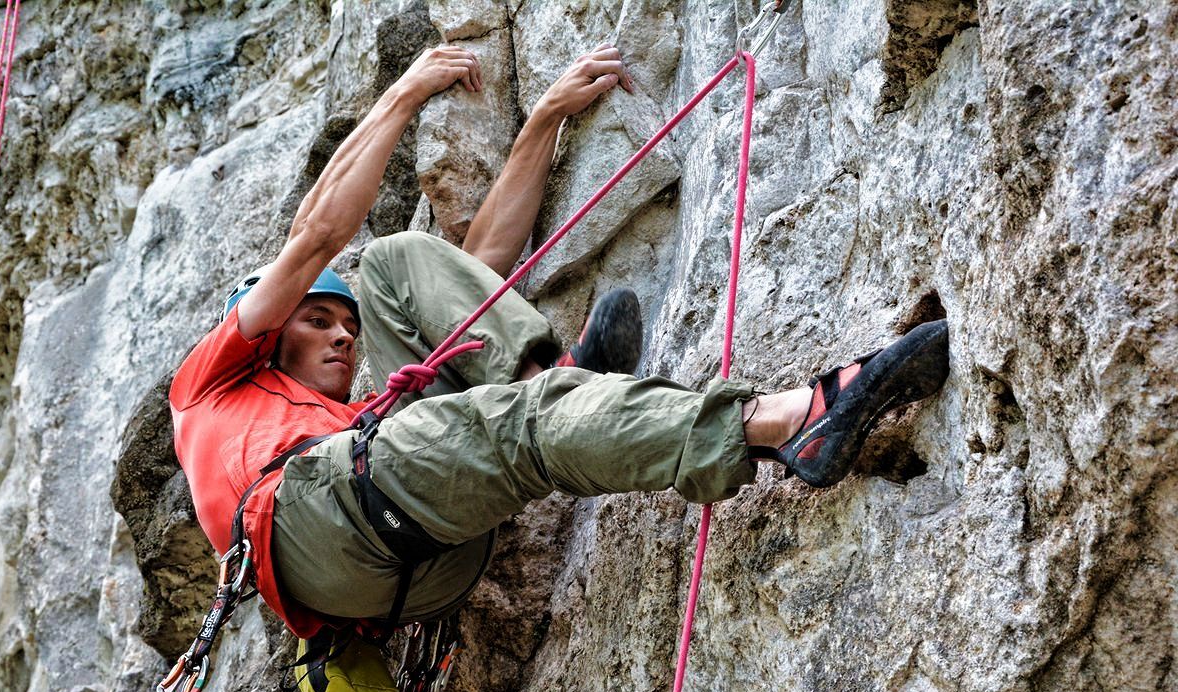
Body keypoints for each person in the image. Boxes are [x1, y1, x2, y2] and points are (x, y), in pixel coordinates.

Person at [169, 45, 949, 641]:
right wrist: (405, 94)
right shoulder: (209, 385)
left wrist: (543, 121)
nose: (343, 334)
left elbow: (470, 283)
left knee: (404, 268)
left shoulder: (352, 417)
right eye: (316, 322)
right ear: (268, 335)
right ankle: (785, 421)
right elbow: (316, 234)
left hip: (409, 562)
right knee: (483, 387)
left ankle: (554, 379)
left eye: (348, 325)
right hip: (315, 518)